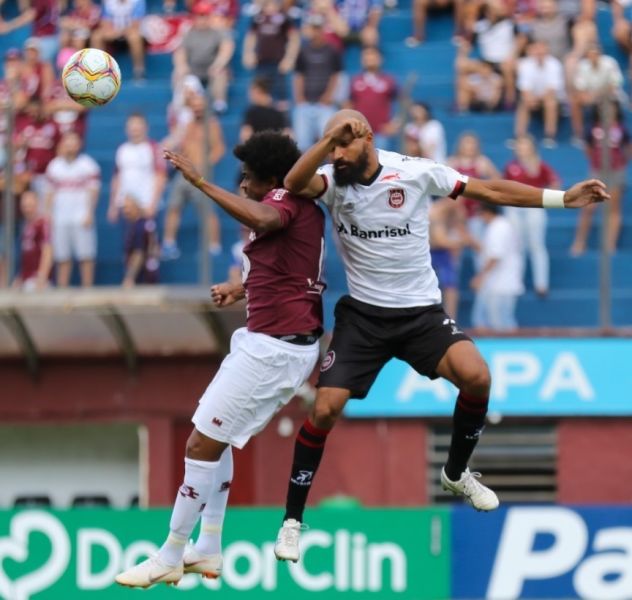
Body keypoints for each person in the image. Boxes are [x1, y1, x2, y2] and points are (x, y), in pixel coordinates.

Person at [272, 109, 609, 563]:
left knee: (478, 377)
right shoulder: (332, 180)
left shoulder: (414, 173)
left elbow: (489, 189)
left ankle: (455, 472)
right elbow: (293, 183)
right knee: (325, 408)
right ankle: (292, 521)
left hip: (420, 315)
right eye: (331, 147)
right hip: (364, 317)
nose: (337, 155)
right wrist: (328, 141)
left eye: (343, 145)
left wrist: (561, 198)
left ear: (367, 137)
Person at [114, 131, 326, 588]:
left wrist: (199, 182)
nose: (243, 185)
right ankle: (208, 545)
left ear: (273, 179)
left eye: (249, 178)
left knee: (199, 444)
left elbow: (266, 217)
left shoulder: (286, 201)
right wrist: (240, 288)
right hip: (268, 342)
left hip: (275, 349)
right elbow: (285, 266)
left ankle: (170, 553)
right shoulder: (294, 208)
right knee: (218, 438)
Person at [161, 93, 226, 259]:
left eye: (200, 105)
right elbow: (180, 144)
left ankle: (214, 245)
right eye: (194, 106)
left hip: (200, 173)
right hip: (183, 172)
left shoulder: (212, 125)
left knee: (207, 211)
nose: (197, 109)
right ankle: (168, 243)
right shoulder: (187, 125)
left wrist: (206, 164)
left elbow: (219, 149)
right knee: (173, 206)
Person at [571, 101, 630, 255]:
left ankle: (610, 245)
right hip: (597, 171)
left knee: (613, 208)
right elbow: (588, 148)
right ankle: (579, 242)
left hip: (616, 171)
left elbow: (628, 148)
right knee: (588, 207)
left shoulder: (621, 128)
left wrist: (621, 162)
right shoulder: (592, 127)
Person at [503, 134, 559, 296]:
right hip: (514, 207)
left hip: (534, 206)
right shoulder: (511, 166)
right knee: (516, 245)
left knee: (536, 244)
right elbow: (503, 185)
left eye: (525, 144)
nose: (522, 148)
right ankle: (516, 281)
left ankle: (541, 284)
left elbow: (555, 182)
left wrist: (546, 199)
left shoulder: (540, 165)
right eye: (519, 145)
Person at [45, 131, 100, 287]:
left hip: (81, 216)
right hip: (60, 217)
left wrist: (90, 213)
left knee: (86, 256)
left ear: (79, 144)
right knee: (62, 257)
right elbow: (49, 193)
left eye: (73, 141)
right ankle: (62, 290)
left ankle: (87, 290)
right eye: (67, 141)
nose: (70, 145)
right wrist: (48, 214)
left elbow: (93, 191)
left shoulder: (88, 165)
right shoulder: (54, 166)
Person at [470, 203, 524, 331]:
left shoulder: (498, 228)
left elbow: (495, 257)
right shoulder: (501, 226)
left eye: (480, 214)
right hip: (502, 283)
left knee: (500, 323)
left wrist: (479, 277)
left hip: (501, 284)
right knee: (502, 321)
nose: (480, 218)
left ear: (487, 212)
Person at [13, 190, 53, 291]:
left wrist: (42, 277)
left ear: (37, 204)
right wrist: (20, 276)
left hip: (37, 281)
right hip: (26, 279)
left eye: (30, 206)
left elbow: (47, 252)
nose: (27, 209)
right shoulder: (25, 225)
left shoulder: (42, 223)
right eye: (25, 206)